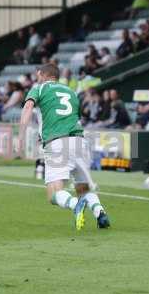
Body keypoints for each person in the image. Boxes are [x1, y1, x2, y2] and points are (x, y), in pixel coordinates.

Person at [18, 63, 110, 230]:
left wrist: (21, 136)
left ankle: (76, 205)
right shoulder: (72, 93)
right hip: (80, 141)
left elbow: (27, 107)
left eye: (39, 75)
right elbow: (72, 116)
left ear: (42, 74)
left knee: (53, 193)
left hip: (57, 143)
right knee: (82, 186)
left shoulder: (38, 89)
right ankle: (100, 212)